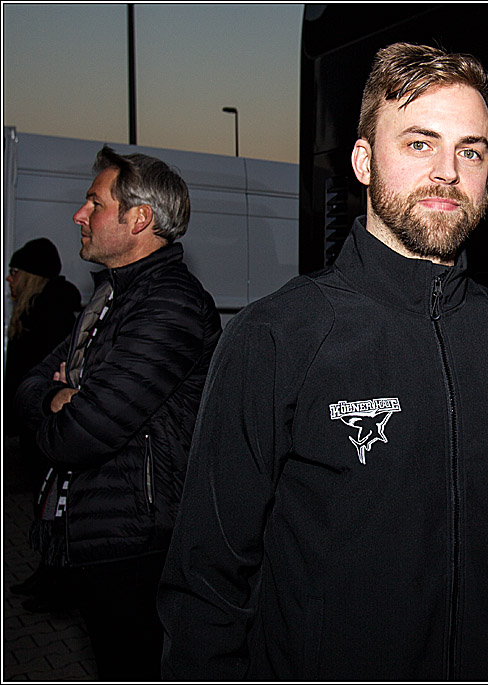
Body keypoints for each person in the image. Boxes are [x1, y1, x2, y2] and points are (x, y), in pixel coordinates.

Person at [158, 42, 488, 680]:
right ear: (364, 161)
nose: (448, 172)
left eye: (470, 150)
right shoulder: (276, 337)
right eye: (420, 144)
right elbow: (206, 579)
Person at [15, 146, 221, 680]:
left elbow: (77, 435)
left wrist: (66, 402)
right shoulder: (109, 297)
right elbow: (29, 382)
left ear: (139, 219)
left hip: (137, 543)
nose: (80, 216)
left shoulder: (169, 304)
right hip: (98, 530)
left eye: (95, 203)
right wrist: (50, 398)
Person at [4, 237, 81, 607]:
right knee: (42, 505)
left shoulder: (50, 314)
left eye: (14, 272)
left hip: (46, 428)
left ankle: (57, 583)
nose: (8, 280)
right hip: (34, 425)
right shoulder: (34, 311)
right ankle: (45, 574)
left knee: (53, 507)